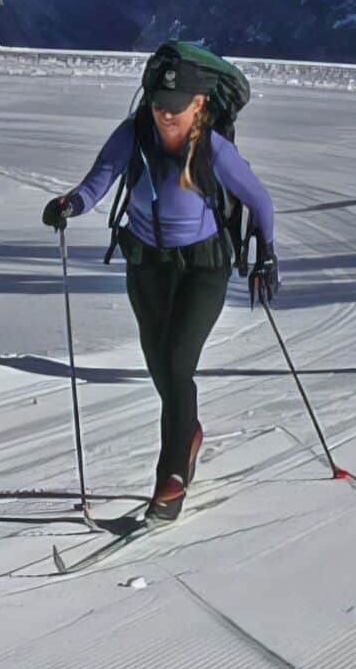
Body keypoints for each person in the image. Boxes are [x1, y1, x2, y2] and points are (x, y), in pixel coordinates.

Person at [43, 78, 278, 521]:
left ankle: (171, 480)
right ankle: (187, 435)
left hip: (204, 268)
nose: (165, 113)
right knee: (159, 366)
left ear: (199, 103)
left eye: (175, 106)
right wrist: (70, 204)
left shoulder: (213, 149)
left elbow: (259, 201)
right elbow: (98, 181)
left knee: (176, 364)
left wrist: (266, 255)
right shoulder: (134, 134)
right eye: (158, 105)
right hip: (147, 265)